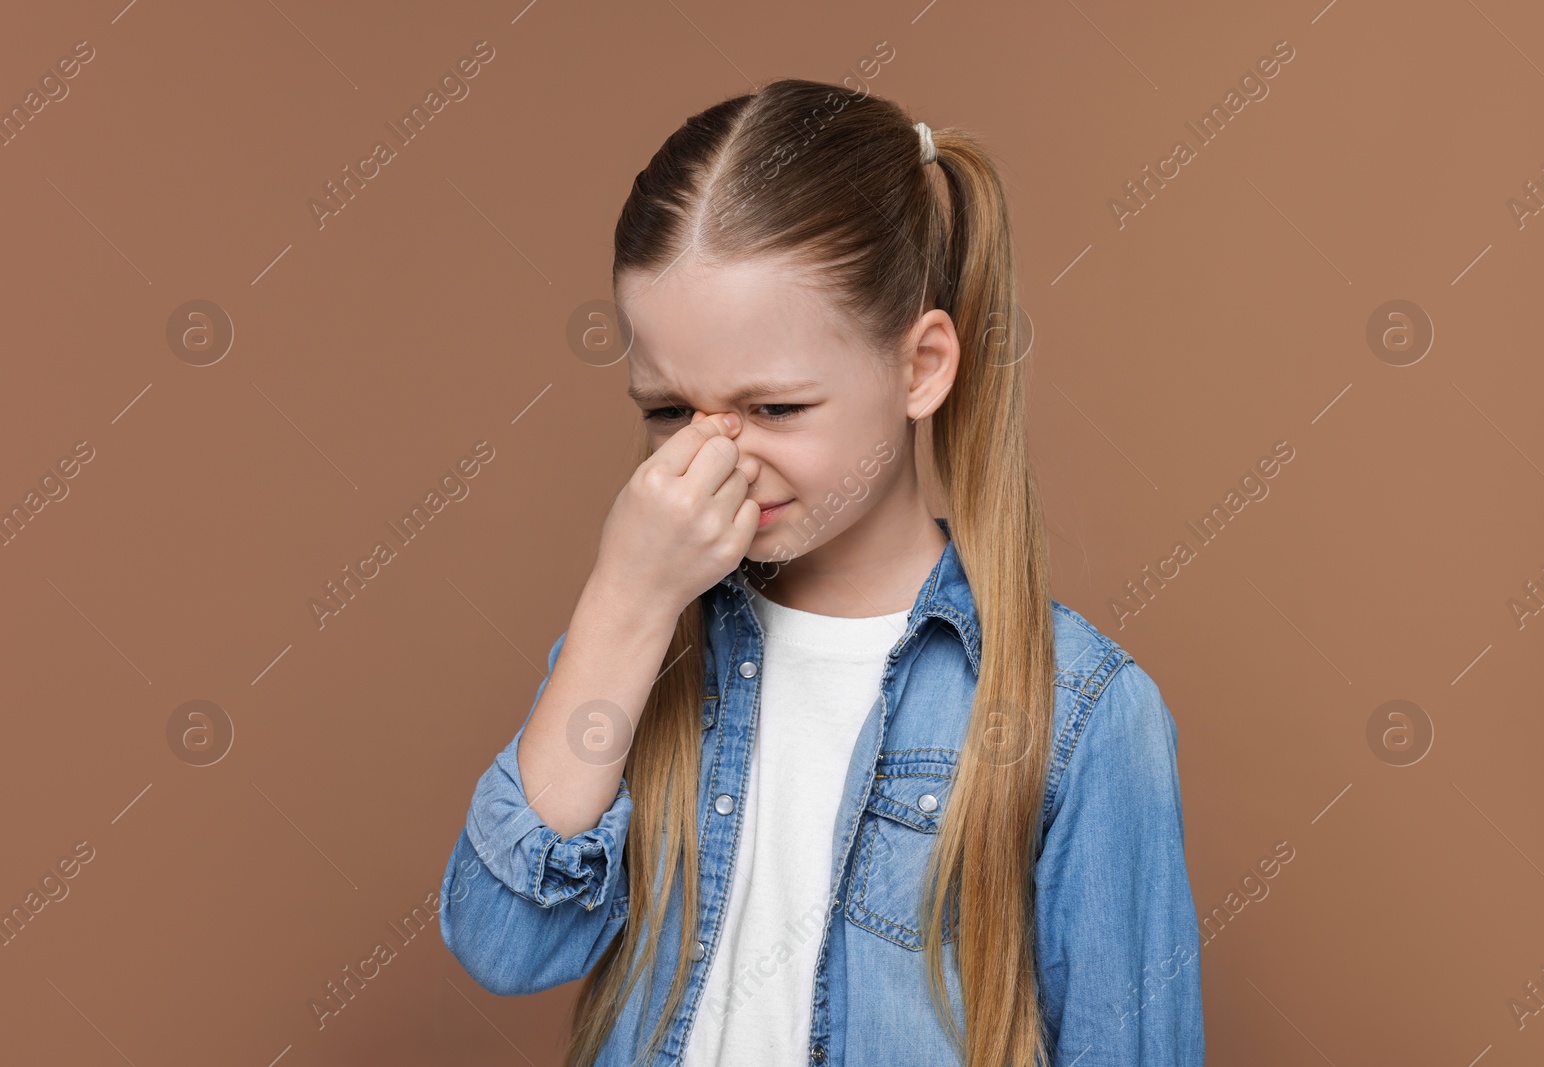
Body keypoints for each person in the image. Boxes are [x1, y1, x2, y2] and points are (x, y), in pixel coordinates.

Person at [439, 77, 1204, 1067]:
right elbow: (505, 941)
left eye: (776, 409)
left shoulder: (1084, 712)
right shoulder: (639, 636)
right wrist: (623, 603)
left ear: (920, 366)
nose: (718, 458)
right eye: (669, 409)